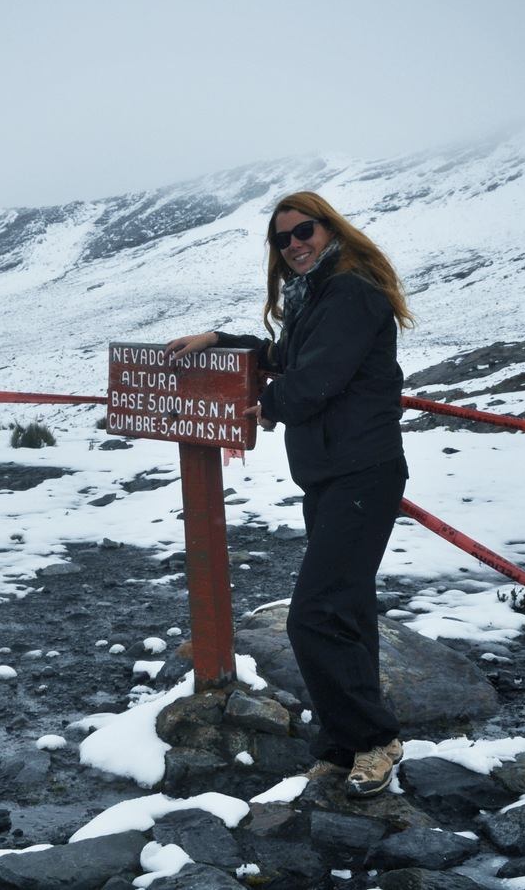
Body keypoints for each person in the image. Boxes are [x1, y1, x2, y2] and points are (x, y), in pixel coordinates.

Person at [167, 190, 414, 798]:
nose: (295, 244)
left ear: (330, 230)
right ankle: (343, 744)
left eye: (304, 231)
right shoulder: (319, 297)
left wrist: (268, 404)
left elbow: (320, 375)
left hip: (361, 474)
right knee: (347, 611)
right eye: (283, 239)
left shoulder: (351, 291)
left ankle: (375, 740)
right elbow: (290, 355)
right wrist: (222, 340)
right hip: (334, 474)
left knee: (314, 616)